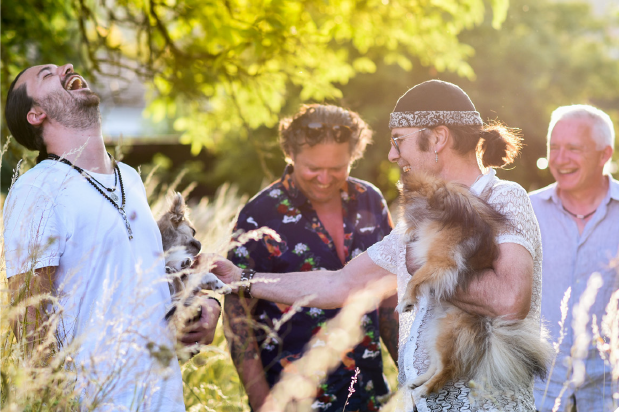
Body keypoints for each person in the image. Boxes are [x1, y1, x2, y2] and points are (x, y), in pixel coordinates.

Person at [214, 79, 543, 411]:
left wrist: (427, 272)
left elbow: (510, 300)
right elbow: (341, 283)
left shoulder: (502, 197)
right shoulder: (419, 220)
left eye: (399, 141)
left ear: (439, 138)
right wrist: (244, 280)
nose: (391, 154)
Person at [3, 63, 220, 410]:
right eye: (47, 75)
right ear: (36, 114)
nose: (66, 67)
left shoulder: (130, 178)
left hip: (165, 400)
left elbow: (149, 282)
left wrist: (205, 305)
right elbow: (28, 321)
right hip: (95, 402)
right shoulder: (37, 188)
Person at [224, 104, 399, 412]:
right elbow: (238, 322)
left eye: (337, 168)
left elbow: (390, 300)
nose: (324, 178)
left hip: (368, 393)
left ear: (354, 156)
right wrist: (262, 403)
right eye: (313, 167)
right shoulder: (260, 214)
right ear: (290, 154)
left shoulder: (370, 200)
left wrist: (415, 377)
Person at [530, 105, 618, 412]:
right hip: (537, 386)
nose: (560, 158)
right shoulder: (525, 211)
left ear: (604, 154)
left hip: (609, 390)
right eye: (554, 147)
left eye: (573, 148)